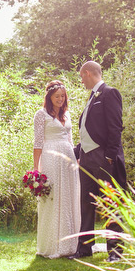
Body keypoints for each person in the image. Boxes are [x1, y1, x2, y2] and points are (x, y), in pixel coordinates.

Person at [69, 61, 127, 263]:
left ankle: (116, 252)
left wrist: (110, 156)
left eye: (81, 77)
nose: (81, 81)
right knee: (86, 202)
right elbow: (89, 128)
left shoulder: (109, 93)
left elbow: (115, 127)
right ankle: (84, 249)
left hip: (103, 157)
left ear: (87, 73)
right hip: (86, 158)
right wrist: (78, 151)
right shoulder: (92, 97)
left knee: (111, 203)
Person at [33, 80, 81, 258]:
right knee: (53, 198)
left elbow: (70, 140)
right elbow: (38, 142)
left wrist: (77, 160)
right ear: (49, 97)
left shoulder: (67, 115)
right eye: (57, 96)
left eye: (63, 96)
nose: (60, 99)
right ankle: (51, 245)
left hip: (68, 159)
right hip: (51, 157)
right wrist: (35, 169)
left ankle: (71, 243)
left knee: (68, 197)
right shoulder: (41, 114)